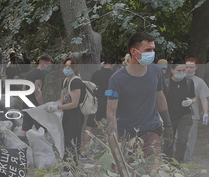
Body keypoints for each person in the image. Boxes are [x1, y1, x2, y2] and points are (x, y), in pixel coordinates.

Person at [106, 32, 172, 169]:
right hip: (124, 135)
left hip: (150, 132)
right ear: (133, 51)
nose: (152, 53)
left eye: (153, 49)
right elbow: (111, 111)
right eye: (148, 50)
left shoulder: (156, 71)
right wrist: (114, 140)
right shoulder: (117, 79)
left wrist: (168, 124)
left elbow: (160, 97)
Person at [47, 56, 85, 165]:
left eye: (70, 66)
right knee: (66, 142)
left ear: (75, 68)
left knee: (73, 143)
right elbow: (63, 99)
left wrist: (57, 107)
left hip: (75, 116)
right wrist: (52, 104)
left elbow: (74, 103)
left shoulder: (76, 82)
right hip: (67, 116)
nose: (67, 69)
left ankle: (73, 168)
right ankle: (67, 166)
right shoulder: (65, 81)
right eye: (66, 66)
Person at [163, 59, 195, 163]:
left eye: (183, 70)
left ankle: (177, 163)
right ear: (172, 70)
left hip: (185, 115)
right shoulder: (166, 83)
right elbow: (160, 99)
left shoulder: (188, 82)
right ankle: (168, 163)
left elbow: (194, 97)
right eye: (179, 70)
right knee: (168, 141)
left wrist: (191, 101)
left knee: (182, 140)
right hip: (169, 115)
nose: (182, 73)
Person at [19, 55, 54, 143]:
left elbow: (23, 88)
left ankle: (20, 147)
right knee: (43, 127)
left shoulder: (30, 73)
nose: (49, 68)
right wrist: (40, 105)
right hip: (35, 105)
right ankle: (45, 149)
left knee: (25, 128)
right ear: (43, 63)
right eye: (49, 66)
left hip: (26, 103)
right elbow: (37, 89)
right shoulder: (40, 74)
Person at [82, 57, 115, 148]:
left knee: (89, 126)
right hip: (110, 103)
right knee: (111, 127)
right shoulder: (115, 74)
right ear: (113, 64)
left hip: (96, 103)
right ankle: (111, 149)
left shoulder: (96, 74)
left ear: (103, 64)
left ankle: (84, 151)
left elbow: (91, 87)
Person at [184, 57, 209, 162]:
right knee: (176, 138)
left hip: (193, 114)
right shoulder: (178, 79)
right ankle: (175, 159)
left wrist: (206, 113)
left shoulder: (200, 82)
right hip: (177, 113)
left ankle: (186, 159)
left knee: (190, 138)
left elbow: (203, 99)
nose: (188, 69)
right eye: (187, 67)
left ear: (196, 68)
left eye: (191, 67)